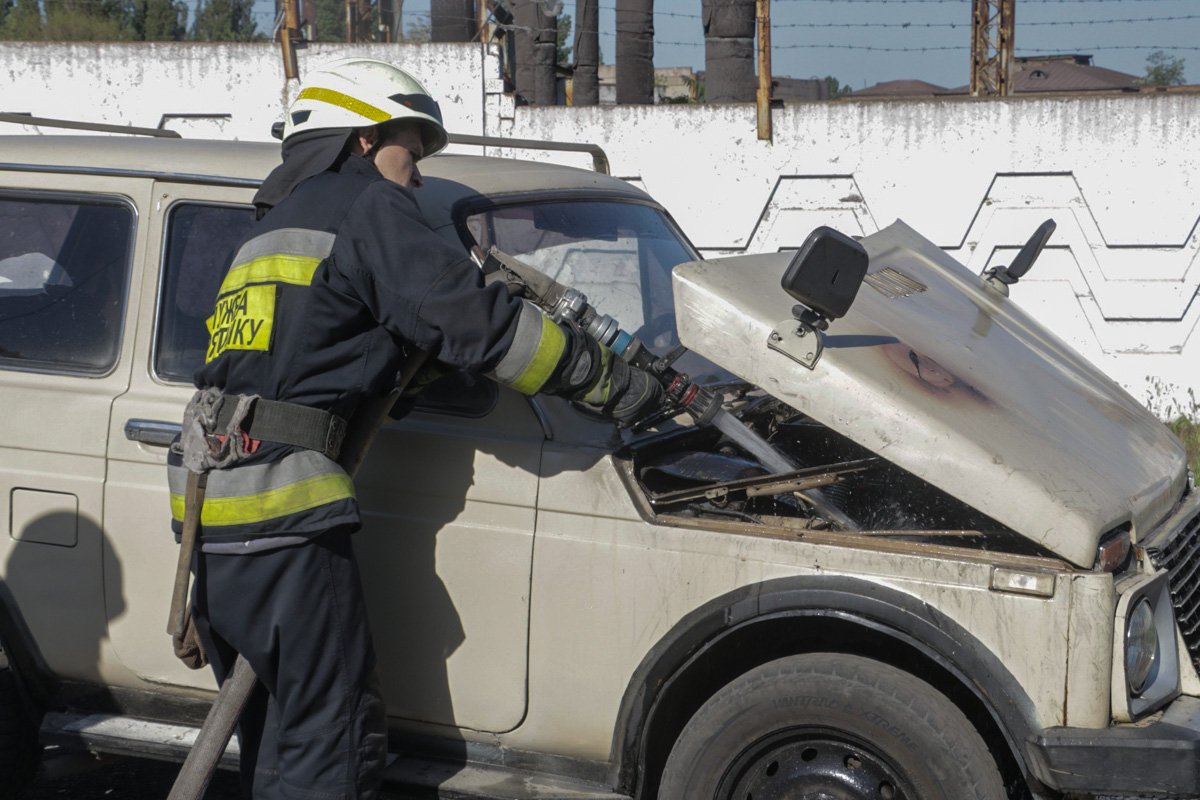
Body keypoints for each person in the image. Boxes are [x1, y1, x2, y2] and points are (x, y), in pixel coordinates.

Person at [166, 57, 661, 800]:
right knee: (332, 738)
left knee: (276, 733)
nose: (419, 176)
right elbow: (481, 326)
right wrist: (610, 381)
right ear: (364, 140)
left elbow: (315, 354)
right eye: (412, 151)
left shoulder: (268, 232)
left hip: (213, 515)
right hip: (284, 513)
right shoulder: (367, 207)